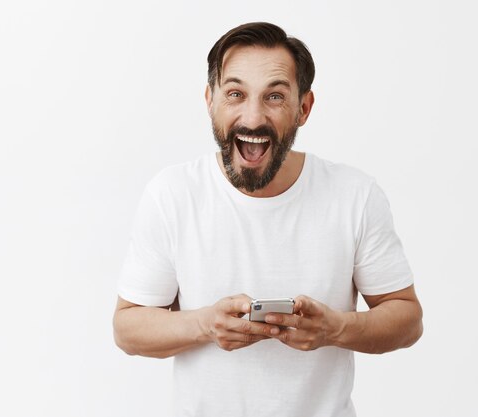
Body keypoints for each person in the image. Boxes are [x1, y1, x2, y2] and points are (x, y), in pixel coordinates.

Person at [113, 22, 423, 417]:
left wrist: (335, 329)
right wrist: (206, 324)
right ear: (211, 100)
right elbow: (128, 329)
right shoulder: (173, 194)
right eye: (236, 94)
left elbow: (408, 318)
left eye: (274, 96)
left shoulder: (355, 195)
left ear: (304, 108)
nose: (253, 117)